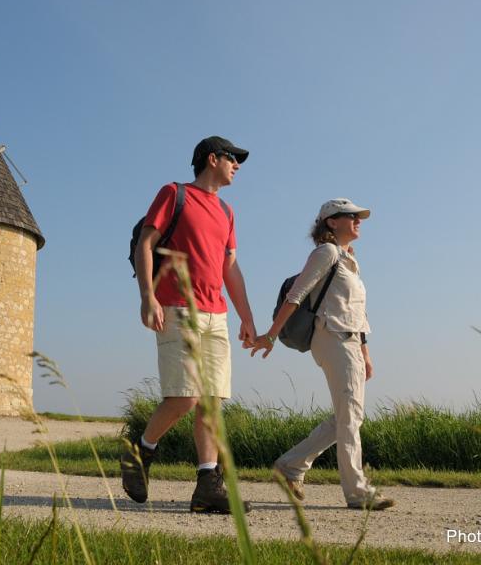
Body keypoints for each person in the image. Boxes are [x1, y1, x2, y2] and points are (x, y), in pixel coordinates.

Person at [121, 136, 257, 514]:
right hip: (178, 307)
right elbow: (145, 244)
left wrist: (246, 315)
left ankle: (207, 488)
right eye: (233, 158)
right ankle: (139, 452)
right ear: (212, 159)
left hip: (217, 315)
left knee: (211, 402)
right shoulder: (174, 193)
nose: (238, 165)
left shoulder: (228, 212)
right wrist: (147, 296)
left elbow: (229, 267)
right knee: (186, 396)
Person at [246, 198, 395, 511]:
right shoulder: (325, 253)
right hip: (333, 338)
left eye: (359, 217)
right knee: (350, 417)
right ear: (331, 222)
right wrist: (271, 336)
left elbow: (358, 312)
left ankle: (290, 465)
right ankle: (357, 492)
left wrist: (365, 352)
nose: (358, 221)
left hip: (351, 341)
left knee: (348, 416)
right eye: (351, 216)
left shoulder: (349, 261)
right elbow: (296, 296)